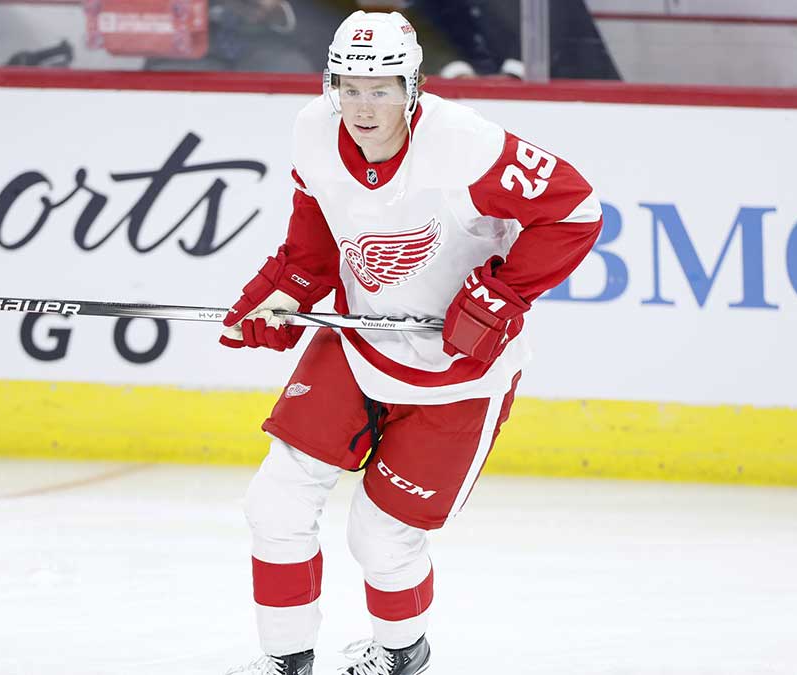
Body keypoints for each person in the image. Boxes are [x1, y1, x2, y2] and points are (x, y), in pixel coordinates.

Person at [221, 10, 602, 675]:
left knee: (381, 539)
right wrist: (277, 298)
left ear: (413, 87)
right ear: (330, 83)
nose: (364, 106)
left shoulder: (463, 145)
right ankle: (284, 660)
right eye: (350, 86)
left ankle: (401, 649)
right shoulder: (313, 132)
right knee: (274, 502)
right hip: (360, 340)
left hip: (458, 372)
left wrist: (499, 295)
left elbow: (575, 210)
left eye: (383, 88)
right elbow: (310, 249)